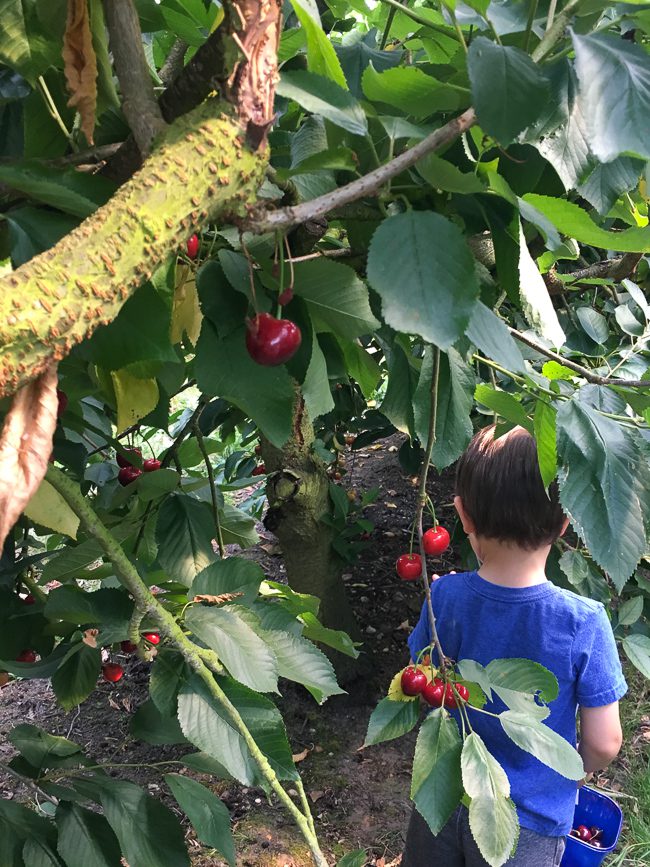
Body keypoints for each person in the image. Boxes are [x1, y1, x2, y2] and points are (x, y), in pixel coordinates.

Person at [402, 424, 626, 867]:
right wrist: (567, 767)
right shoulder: (584, 622)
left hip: (443, 801)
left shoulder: (443, 598)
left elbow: (419, 678)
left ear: (462, 516)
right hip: (527, 823)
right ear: (565, 523)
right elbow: (605, 742)